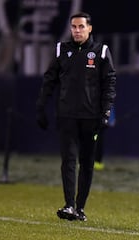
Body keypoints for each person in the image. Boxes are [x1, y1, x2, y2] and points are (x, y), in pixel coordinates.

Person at [36, 12, 116, 221]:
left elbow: (109, 83)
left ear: (90, 28)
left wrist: (106, 112)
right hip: (67, 116)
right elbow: (49, 79)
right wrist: (41, 106)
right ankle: (69, 205)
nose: (77, 31)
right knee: (68, 161)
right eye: (74, 27)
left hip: (91, 118)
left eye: (81, 27)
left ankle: (80, 208)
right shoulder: (62, 49)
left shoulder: (101, 51)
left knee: (87, 163)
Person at [94, 106, 116, 171]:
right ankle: (87, 161)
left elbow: (109, 103)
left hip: (99, 121)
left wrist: (111, 118)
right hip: (91, 119)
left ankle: (97, 162)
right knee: (90, 140)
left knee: (97, 140)